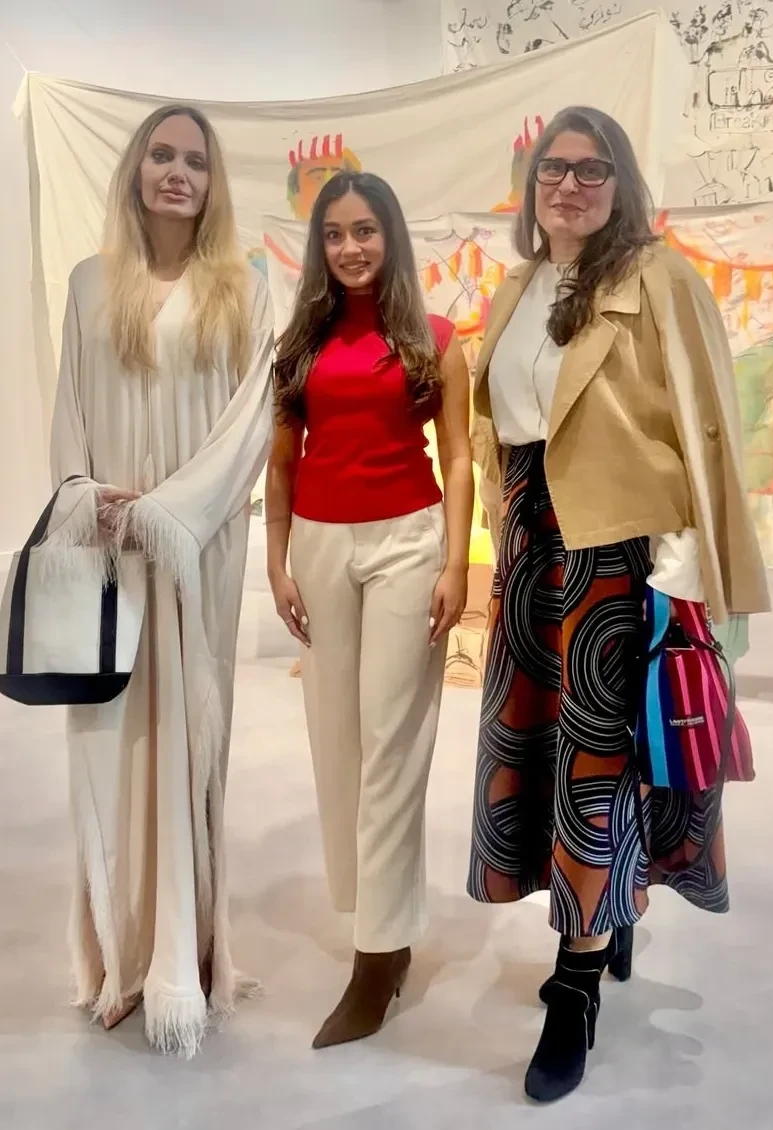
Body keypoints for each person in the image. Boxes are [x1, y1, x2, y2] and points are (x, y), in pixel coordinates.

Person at [467, 106, 769, 1102]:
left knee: (594, 765)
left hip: (617, 554)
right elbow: (501, 422)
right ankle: (609, 911)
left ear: (620, 183)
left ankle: (575, 982)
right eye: (553, 168)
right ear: (531, 185)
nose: (568, 184)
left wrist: (678, 573)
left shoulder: (657, 278)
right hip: (531, 547)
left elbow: (702, 422)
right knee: (544, 752)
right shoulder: (516, 285)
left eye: (591, 169)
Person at [44, 104, 274, 1057]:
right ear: (135, 170)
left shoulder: (246, 286)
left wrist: (172, 512)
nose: (177, 172)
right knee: (109, 743)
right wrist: (86, 498)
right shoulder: (89, 283)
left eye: (195, 160)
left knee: (189, 740)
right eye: (161, 155)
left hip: (195, 547)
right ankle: (120, 958)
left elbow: (253, 418)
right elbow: (67, 411)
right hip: (109, 548)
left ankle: (188, 960)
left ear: (213, 182)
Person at [265, 171, 473, 1048]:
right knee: (338, 741)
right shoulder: (298, 346)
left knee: (393, 741)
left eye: (365, 231)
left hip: (406, 542)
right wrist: (275, 562)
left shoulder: (433, 340)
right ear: (319, 247)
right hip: (318, 545)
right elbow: (281, 461)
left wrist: (455, 563)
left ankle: (377, 956)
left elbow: (457, 456)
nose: (350, 248)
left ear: (391, 237)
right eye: (334, 234)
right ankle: (376, 913)